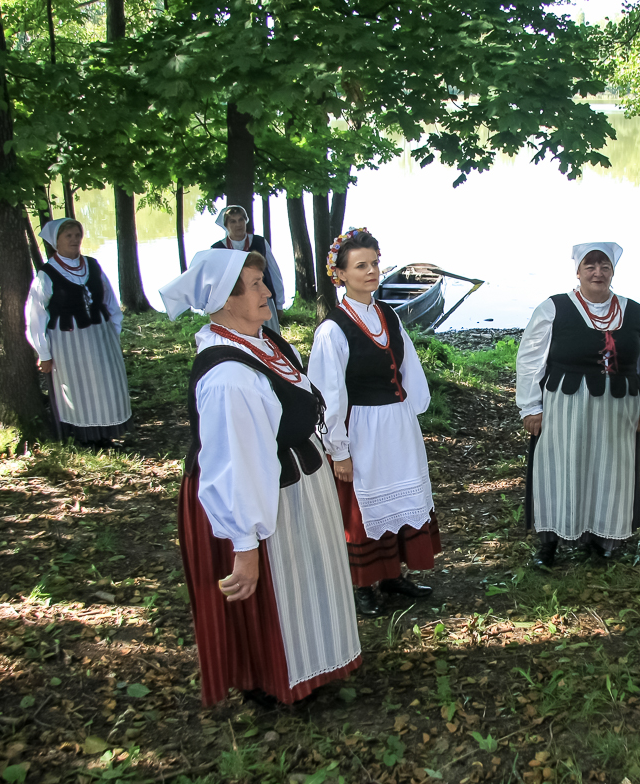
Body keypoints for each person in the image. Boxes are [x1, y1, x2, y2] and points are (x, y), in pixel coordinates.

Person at [158, 248, 361, 708]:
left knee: (304, 575)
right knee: (274, 588)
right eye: (254, 285)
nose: (268, 290)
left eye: (263, 280)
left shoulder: (265, 342)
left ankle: (314, 667)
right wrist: (244, 547)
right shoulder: (229, 376)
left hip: (291, 481)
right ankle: (273, 681)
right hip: (253, 496)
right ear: (224, 301)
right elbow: (238, 464)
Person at [307, 228, 440, 617]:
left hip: (395, 423)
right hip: (361, 427)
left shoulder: (388, 314)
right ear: (341, 275)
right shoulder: (333, 329)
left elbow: (408, 365)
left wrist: (412, 410)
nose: (371, 271)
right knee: (362, 506)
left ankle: (392, 575)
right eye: (360, 266)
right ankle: (362, 583)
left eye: (375, 263)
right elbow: (326, 393)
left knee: (399, 496)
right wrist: (339, 449)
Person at [516, 242, 640, 567]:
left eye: (604, 266)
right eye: (590, 266)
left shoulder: (636, 313)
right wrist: (530, 407)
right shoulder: (554, 308)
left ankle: (601, 540)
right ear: (578, 271)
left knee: (610, 471)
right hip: (565, 408)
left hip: (618, 410)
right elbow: (530, 361)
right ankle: (549, 543)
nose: (598, 273)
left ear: (612, 270)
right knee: (560, 468)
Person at [25, 218, 132, 446]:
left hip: (100, 336)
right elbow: (36, 315)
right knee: (77, 386)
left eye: (77, 235)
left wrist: (113, 331)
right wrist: (43, 352)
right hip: (67, 340)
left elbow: (109, 300)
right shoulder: (47, 274)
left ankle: (105, 435)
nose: (74, 240)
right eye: (68, 236)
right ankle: (84, 438)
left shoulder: (92, 265)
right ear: (56, 242)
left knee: (106, 383)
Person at [211, 204, 284, 335]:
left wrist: (279, 304)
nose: (238, 224)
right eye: (233, 221)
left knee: (269, 337)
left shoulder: (260, 242)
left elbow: (274, 273)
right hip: (235, 304)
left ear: (246, 221)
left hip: (262, 300)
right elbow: (215, 282)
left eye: (241, 220)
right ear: (226, 225)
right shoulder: (217, 249)